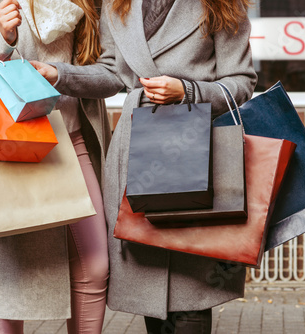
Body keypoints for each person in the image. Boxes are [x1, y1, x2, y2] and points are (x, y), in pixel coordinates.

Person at [32, 0, 257, 332]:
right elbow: (112, 74)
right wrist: (60, 74)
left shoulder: (220, 3)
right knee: (151, 285)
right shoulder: (117, 3)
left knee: (190, 290)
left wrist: (189, 91)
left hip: (195, 150)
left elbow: (242, 81)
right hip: (141, 150)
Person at [0, 0, 110, 332]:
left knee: (95, 265)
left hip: (72, 136)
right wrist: (0, 37)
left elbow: (108, 60)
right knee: (9, 278)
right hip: (7, 138)